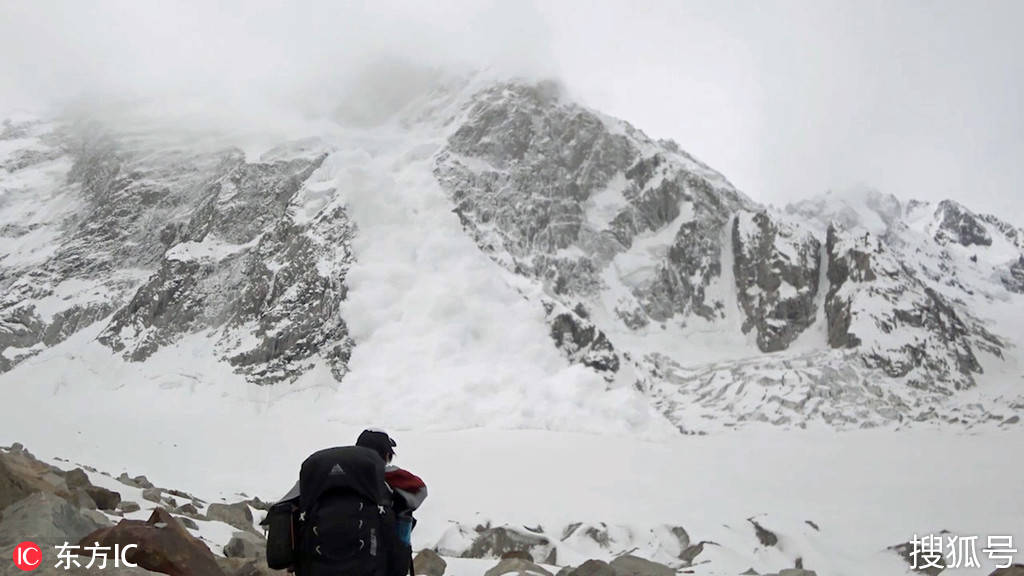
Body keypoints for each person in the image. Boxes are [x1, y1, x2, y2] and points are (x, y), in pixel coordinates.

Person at [354, 429, 428, 548]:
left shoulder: (338, 477)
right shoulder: (389, 476)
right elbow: (420, 489)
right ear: (386, 455)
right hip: (381, 557)